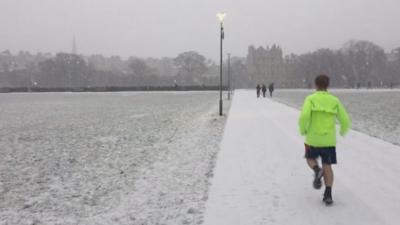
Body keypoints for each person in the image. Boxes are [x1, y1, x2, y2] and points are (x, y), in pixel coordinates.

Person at [298, 74, 351, 206]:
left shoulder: (310, 99)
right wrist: (343, 131)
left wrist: (302, 129)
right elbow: (345, 120)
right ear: (328, 85)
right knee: (328, 166)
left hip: (313, 138)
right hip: (329, 140)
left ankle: (316, 170)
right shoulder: (334, 100)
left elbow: (304, 115)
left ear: (316, 85)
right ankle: (328, 194)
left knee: (309, 158)